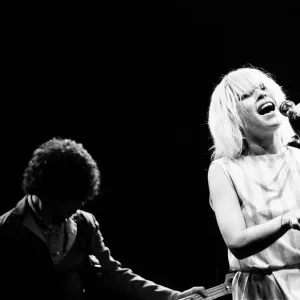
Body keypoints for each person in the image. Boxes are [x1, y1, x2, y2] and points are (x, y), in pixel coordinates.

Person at [0, 137, 207, 300]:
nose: (80, 205)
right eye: (73, 199)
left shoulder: (85, 223)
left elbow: (114, 273)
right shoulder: (7, 228)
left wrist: (172, 296)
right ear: (50, 192)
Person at [207, 66, 300, 300]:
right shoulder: (224, 169)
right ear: (232, 116)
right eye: (246, 94)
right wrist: (286, 220)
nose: (262, 94)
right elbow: (236, 242)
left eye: (263, 88)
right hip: (262, 289)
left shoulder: (298, 154)